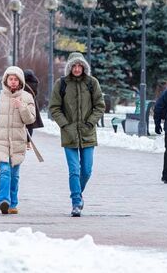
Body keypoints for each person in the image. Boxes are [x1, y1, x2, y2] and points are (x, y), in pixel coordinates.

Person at [49, 52, 105, 217]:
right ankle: (76, 202)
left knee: (86, 170)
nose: (77, 68)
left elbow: (100, 106)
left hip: (88, 133)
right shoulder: (62, 84)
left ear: (84, 67)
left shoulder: (92, 83)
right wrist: (65, 125)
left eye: (80, 66)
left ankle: (77, 194)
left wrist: (90, 122)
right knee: (74, 170)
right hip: (69, 134)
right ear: (70, 67)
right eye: (74, 66)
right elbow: (54, 107)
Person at [0, 66, 37, 215]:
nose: (13, 82)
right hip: (0, 140)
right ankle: (3, 201)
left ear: (20, 81)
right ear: (6, 80)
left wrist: (21, 107)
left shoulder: (27, 97)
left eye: (16, 79)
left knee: (14, 173)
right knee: (5, 170)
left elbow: (30, 119)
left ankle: (13, 203)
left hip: (17, 141)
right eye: (11, 79)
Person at [23, 69, 44, 140]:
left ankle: (26, 139)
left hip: (23, 103)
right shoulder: (35, 82)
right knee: (30, 123)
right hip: (32, 104)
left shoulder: (22, 83)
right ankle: (28, 140)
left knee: (23, 122)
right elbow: (36, 93)